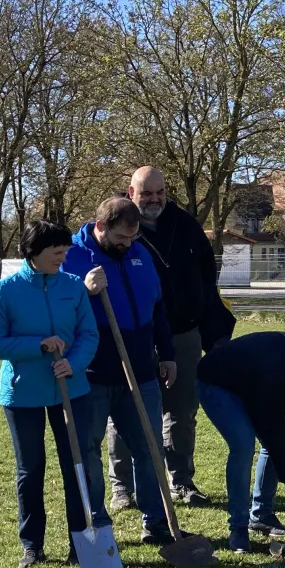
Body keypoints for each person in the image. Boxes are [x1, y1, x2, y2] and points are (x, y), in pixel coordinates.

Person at [107, 166, 236, 511]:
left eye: (159, 192)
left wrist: (217, 333)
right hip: (133, 338)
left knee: (182, 413)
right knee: (125, 412)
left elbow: (207, 282)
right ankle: (123, 488)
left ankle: (181, 480)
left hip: (183, 336)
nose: (154, 199)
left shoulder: (186, 226)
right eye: (146, 193)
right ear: (130, 193)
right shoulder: (115, 226)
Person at [0, 220, 106, 568]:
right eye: (56, 252)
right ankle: (32, 545)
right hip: (22, 395)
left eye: (65, 251)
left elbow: (87, 335)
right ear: (33, 252)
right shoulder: (4, 291)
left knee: (76, 466)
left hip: (72, 390)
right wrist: (38, 345)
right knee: (30, 469)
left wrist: (73, 364)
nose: (63, 258)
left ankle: (81, 543)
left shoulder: (73, 287)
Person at [62, 197, 183, 547]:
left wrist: (167, 353)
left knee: (149, 447)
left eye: (133, 238)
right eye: (120, 237)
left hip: (141, 370)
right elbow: (56, 309)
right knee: (88, 450)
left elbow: (157, 308)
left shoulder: (140, 254)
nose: (127, 244)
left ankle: (157, 522)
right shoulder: (71, 256)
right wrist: (82, 291)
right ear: (100, 226)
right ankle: (97, 525)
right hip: (92, 373)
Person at [196, 332, 285, 551]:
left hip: (249, 380)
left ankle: (262, 515)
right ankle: (238, 527)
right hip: (217, 382)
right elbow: (273, 429)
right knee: (243, 446)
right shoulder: (277, 374)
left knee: (272, 446)